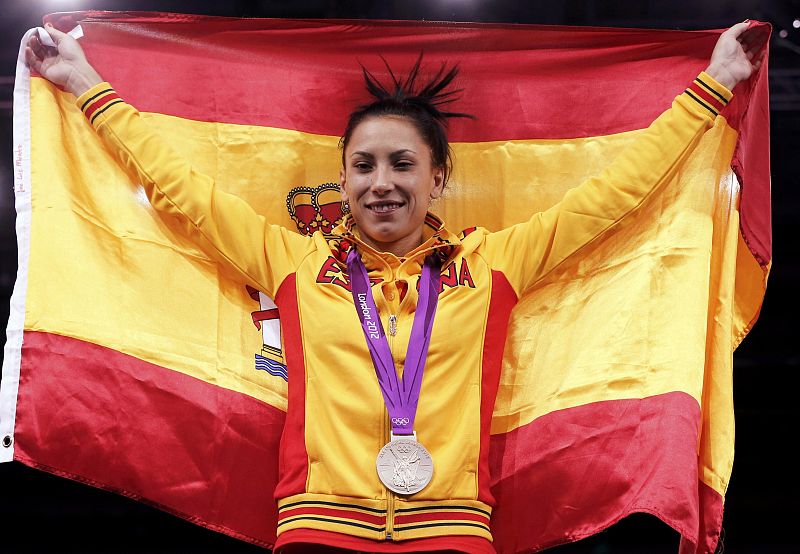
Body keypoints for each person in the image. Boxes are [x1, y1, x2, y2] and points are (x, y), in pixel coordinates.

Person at [26, 20, 765, 554]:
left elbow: (614, 196)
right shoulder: (293, 264)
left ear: (437, 176)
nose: (382, 184)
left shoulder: (492, 266)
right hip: (317, 532)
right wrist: (85, 84)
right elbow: (179, 189)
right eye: (364, 166)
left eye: (402, 165)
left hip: (455, 535)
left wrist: (715, 84)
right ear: (342, 178)